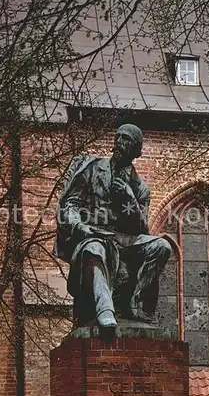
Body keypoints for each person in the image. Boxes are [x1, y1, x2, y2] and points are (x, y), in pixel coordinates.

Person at [54, 123, 172, 329]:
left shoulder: (140, 188)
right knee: (94, 249)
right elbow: (70, 204)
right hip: (93, 234)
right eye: (117, 138)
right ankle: (105, 310)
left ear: (137, 150)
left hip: (126, 240)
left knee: (162, 246)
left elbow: (142, 228)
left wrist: (129, 199)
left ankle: (137, 304)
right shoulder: (91, 169)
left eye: (125, 139)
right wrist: (79, 226)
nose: (118, 143)